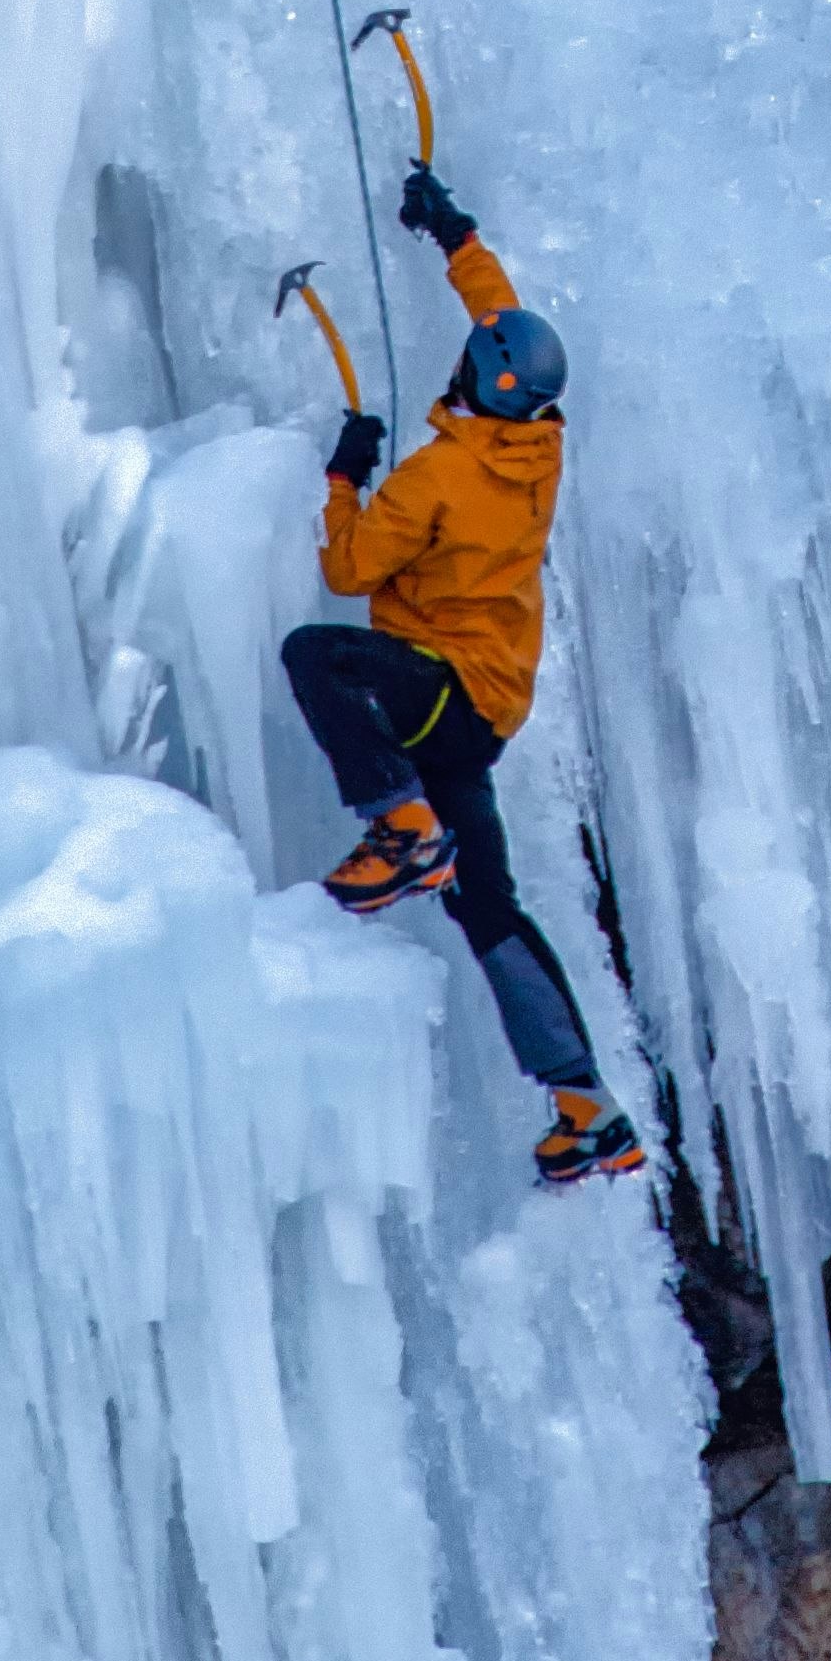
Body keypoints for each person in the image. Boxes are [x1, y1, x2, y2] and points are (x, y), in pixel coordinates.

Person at [279, 154, 646, 1186]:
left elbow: (348, 566)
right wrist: (454, 232)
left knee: (316, 654)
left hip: (435, 688)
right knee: (488, 899)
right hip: (479, 709)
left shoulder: (439, 474)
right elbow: (507, 319)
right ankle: (586, 1107)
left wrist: (346, 474)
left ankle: (400, 828)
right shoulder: (540, 445)